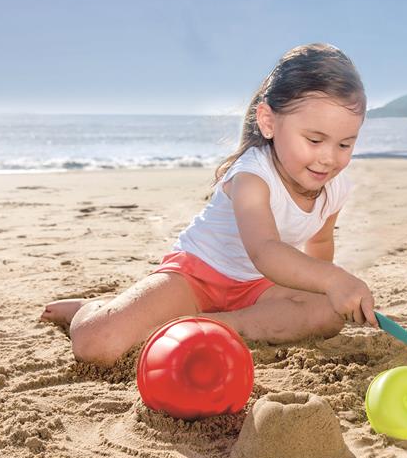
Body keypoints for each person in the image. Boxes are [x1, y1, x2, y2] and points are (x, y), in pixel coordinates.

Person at [42, 43, 375, 365]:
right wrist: (333, 280)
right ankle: (93, 308)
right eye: (315, 140)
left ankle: (212, 325)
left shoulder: (335, 188)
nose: (329, 158)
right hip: (196, 276)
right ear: (269, 122)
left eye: (345, 144)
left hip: (259, 289)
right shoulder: (252, 175)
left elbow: (319, 242)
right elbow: (264, 250)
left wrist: (322, 290)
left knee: (327, 313)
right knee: (97, 344)